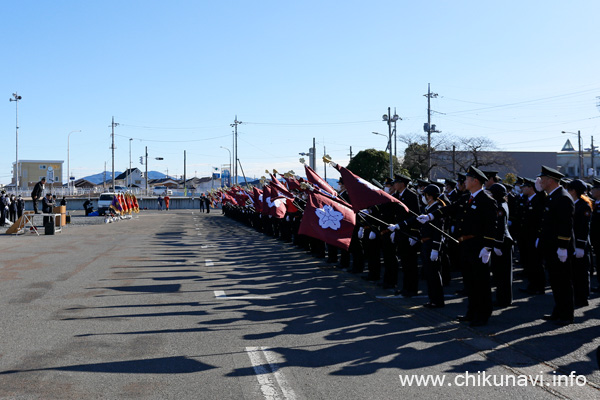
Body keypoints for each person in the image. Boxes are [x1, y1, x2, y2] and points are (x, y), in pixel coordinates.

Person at [417, 166, 497, 327]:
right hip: (465, 244)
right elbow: (450, 209)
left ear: (475, 181)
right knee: (469, 281)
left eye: (467, 179)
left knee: (480, 282)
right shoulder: (467, 198)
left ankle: (482, 315)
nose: (464, 181)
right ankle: (471, 312)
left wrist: (487, 247)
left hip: (478, 246)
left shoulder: (487, 200)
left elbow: (492, 226)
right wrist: (431, 215)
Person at [537, 166, 575, 325]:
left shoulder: (563, 197)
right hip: (552, 247)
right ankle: (559, 311)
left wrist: (563, 247)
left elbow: (565, 224)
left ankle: (566, 314)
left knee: (563, 282)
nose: (540, 181)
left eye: (543, 179)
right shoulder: (552, 196)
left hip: (560, 248)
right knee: (556, 282)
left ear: (551, 180)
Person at [418, 184, 446, 308]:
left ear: (429, 196)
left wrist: (435, 248)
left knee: (434, 273)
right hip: (425, 243)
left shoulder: (437, 209)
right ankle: (432, 299)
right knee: (429, 274)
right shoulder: (428, 208)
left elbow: (438, 231)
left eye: (425, 195)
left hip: (432, 244)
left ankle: (438, 300)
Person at [566, 179, 592, 307]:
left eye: (569, 189)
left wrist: (580, 246)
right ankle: (576, 297)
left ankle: (582, 299)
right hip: (573, 244)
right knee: (575, 273)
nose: (567, 191)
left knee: (581, 273)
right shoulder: (574, 203)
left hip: (580, 245)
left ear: (574, 191)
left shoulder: (584, 205)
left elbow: (584, 228)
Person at [489, 183, 514, 308]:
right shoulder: (502, 204)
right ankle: (502, 298)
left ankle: (504, 299)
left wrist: (497, 244)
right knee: (501, 273)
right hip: (503, 242)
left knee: (502, 273)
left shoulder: (500, 207)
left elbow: (500, 227)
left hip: (503, 243)